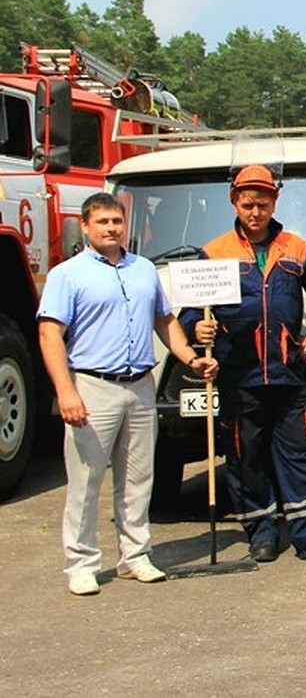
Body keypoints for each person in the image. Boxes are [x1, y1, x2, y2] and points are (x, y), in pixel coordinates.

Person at [38, 192, 219, 595]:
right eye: (102, 222)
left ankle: (135, 556)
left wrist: (191, 358)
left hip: (140, 386)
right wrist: (65, 391)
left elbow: (164, 320)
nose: (111, 228)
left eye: (117, 222)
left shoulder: (143, 270)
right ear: (84, 227)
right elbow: (50, 333)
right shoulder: (67, 275)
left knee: (139, 479)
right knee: (85, 482)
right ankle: (81, 563)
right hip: (92, 386)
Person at [183, 165, 306, 565]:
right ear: (234, 203)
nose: (255, 212)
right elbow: (190, 313)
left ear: (275, 201)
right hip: (237, 375)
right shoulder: (214, 252)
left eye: (262, 204)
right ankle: (261, 533)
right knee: (247, 458)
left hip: (288, 373)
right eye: (247, 205)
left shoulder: (297, 248)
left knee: (300, 455)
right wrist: (198, 327)